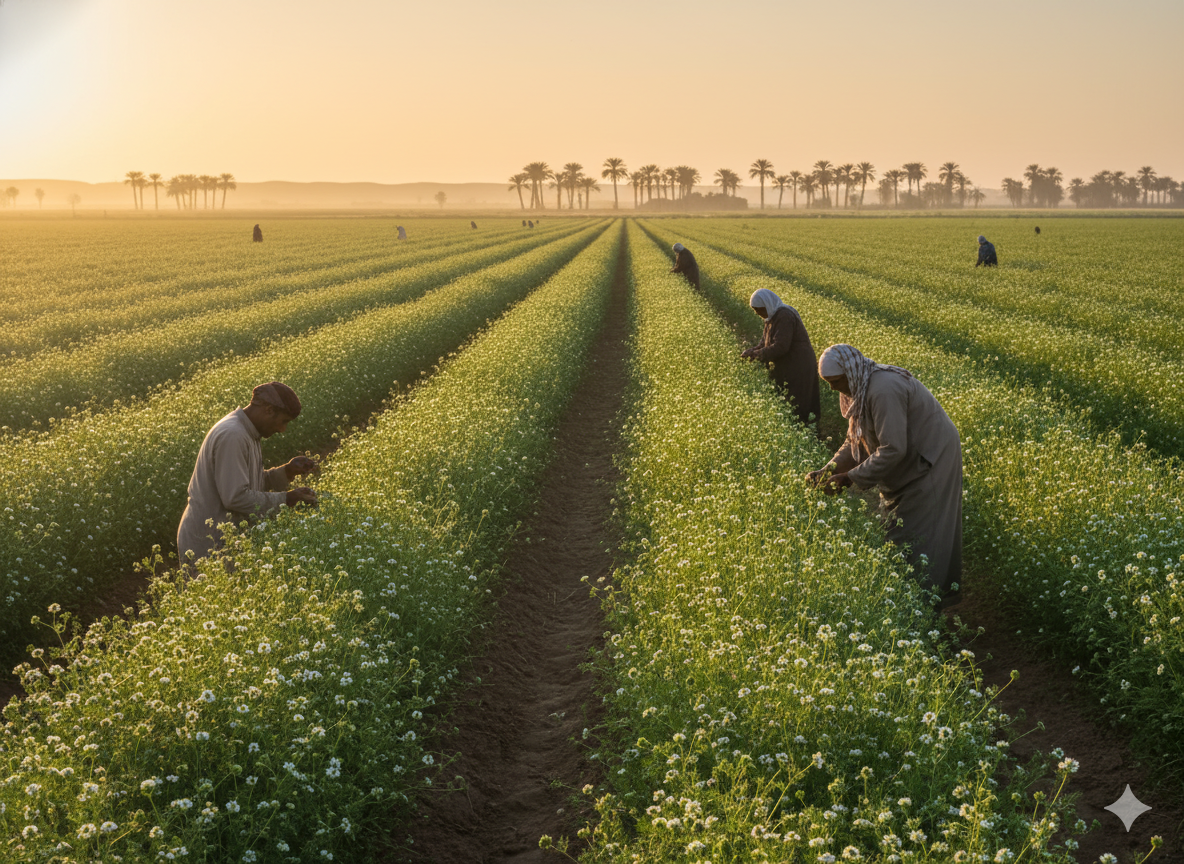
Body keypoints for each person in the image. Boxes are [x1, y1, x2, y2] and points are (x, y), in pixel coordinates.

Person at [806, 344, 963, 602]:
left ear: (849, 372)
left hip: (931, 456)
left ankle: (926, 600)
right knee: (901, 529)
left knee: (923, 531)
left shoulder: (882, 389)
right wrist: (829, 469)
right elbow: (854, 439)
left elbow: (893, 448)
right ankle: (910, 597)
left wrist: (849, 478)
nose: (833, 389)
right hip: (910, 456)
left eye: (835, 382)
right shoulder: (860, 385)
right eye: (828, 383)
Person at [177, 382, 317, 567]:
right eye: (283, 421)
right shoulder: (233, 435)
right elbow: (235, 497)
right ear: (268, 410)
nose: (282, 430)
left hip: (224, 540)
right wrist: (286, 500)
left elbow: (250, 483)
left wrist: (287, 471)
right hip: (208, 545)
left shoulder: (248, 433)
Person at [739, 288, 820, 425]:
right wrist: (751, 351)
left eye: (759, 309)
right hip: (788, 365)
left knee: (797, 402)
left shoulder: (784, 316)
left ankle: (806, 433)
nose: (757, 313)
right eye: (755, 310)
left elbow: (781, 346)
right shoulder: (770, 317)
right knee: (787, 402)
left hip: (798, 365)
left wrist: (758, 355)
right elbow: (764, 342)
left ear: (767, 304)